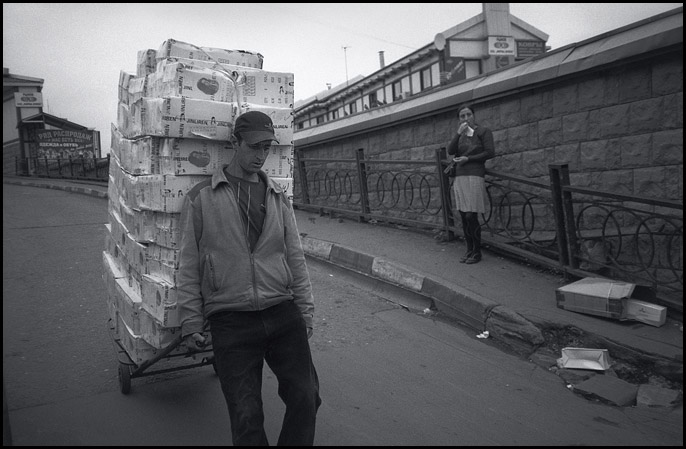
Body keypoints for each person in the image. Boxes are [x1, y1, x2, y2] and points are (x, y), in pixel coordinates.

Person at [177, 110, 321, 446]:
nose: (260, 155)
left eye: (267, 148)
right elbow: (188, 265)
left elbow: (294, 257)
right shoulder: (202, 198)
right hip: (231, 317)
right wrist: (190, 322)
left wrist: (306, 310)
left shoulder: (277, 198)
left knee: (307, 396)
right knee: (246, 416)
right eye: (254, 146)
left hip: (281, 311)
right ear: (234, 143)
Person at [446, 104, 496, 264]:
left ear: (474, 115)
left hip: (475, 175)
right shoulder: (460, 134)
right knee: (463, 215)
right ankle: (469, 249)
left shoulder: (483, 132)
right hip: (460, 176)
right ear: (459, 119)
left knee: (471, 215)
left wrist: (469, 159)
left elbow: (490, 152)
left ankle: (477, 251)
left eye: (468, 115)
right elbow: (450, 150)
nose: (466, 118)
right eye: (462, 116)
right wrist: (457, 133)